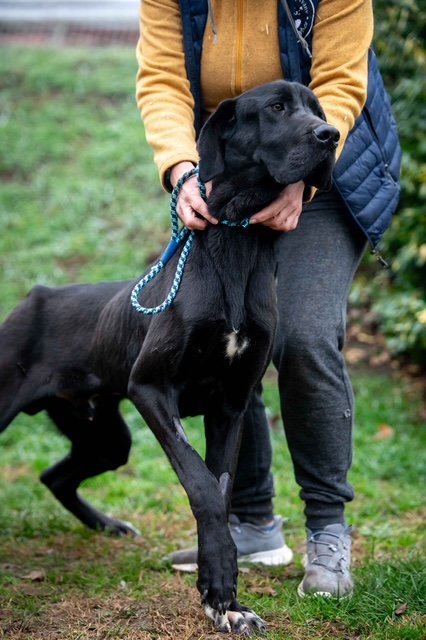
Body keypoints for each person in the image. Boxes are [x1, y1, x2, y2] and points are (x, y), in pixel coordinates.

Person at [135, 0, 400, 598]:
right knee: (225, 330)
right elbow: (162, 80)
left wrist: (304, 180)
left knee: (301, 335)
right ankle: (252, 520)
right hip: (230, 171)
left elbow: (340, 83)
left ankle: (327, 529)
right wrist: (181, 170)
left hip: (326, 171)